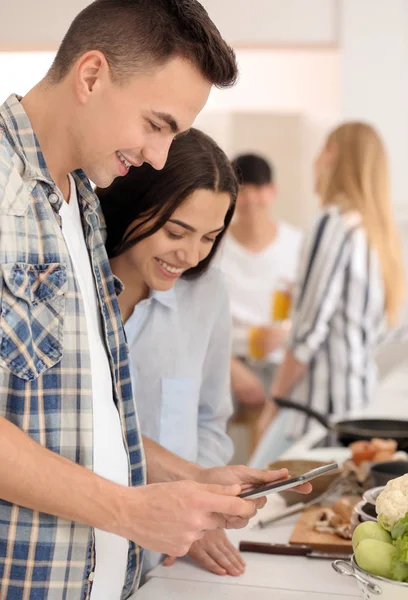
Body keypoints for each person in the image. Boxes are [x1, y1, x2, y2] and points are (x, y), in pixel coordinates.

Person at [0, 2, 312, 598]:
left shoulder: (83, 203)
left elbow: (81, 422)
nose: (160, 156)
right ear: (91, 76)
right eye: (156, 123)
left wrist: (191, 478)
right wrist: (127, 510)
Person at [97, 128, 247, 578]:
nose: (189, 255)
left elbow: (209, 420)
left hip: (170, 557)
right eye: (177, 231)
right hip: (85, 539)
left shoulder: (207, 293)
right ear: (134, 205)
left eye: (209, 237)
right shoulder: (79, 287)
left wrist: (198, 514)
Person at [257, 122, 405, 439]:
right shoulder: (376, 234)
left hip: (317, 414)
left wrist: (273, 405)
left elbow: (307, 335)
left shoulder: (333, 223)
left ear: (331, 155)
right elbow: (380, 328)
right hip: (360, 403)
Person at [221, 154, 303, 409]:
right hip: (226, 361)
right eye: (243, 191)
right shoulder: (213, 244)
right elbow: (195, 319)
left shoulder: (297, 243)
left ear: (272, 191)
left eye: (259, 189)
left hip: (282, 360)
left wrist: (286, 332)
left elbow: (312, 311)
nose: (251, 200)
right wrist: (232, 369)